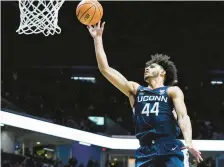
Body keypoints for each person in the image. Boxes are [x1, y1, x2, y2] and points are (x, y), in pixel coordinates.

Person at [87, 21, 203, 167]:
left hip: (169, 147)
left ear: (162, 72)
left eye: (152, 66)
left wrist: (189, 142)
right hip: (145, 150)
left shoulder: (172, 91)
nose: (147, 69)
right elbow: (105, 70)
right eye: (146, 67)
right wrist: (98, 39)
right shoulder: (136, 90)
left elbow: (183, 116)